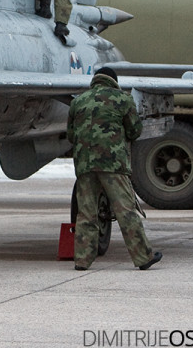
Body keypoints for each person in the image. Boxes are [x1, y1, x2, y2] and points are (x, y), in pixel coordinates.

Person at [67, 66, 163, 271]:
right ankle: (143, 257)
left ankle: (82, 260)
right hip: (113, 165)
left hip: (85, 165)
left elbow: (70, 135)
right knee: (125, 210)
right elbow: (135, 130)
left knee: (86, 213)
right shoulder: (122, 99)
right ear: (113, 80)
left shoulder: (78, 101)